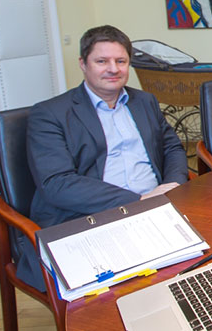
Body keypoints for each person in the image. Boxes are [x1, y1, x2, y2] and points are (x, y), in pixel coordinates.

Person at [22, 25, 189, 290]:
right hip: (89, 218)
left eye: (120, 61)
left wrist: (174, 186)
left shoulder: (144, 101)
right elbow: (57, 184)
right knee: (131, 287)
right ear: (83, 64)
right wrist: (138, 201)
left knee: (201, 260)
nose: (113, 69)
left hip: (156, 208)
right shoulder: (49, 114)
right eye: (102, 61)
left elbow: (173, 149)